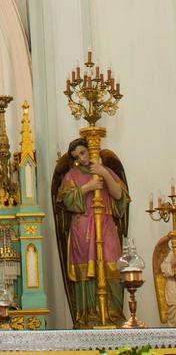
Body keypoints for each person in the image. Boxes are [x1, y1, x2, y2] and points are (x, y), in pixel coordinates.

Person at [56, 138, 128, 327]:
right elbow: (66, 201)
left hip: (105, 225)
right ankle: (89, 317)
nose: (80, 158)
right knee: (86, 276)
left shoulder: (107, 172)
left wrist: (103, 172)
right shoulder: (71, 175)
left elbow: (120, 196)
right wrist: (88, 187)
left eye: (82, 153)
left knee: (111, 268)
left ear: (90, 150)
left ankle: (112, 315)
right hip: (83, 230)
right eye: (76, 156)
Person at [160, 240, 176, 325]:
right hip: (173, 286)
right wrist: (172, 265)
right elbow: (163, 268)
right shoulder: (173, 252)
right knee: (173, 308)